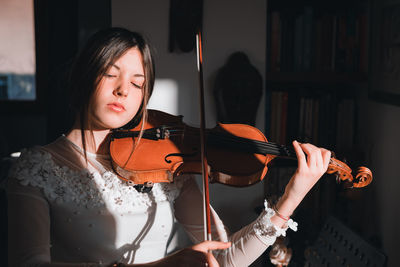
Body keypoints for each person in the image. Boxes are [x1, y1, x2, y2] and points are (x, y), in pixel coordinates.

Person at [7, 27, 331, 267]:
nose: (123, 91)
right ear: (83, 77)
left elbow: (226, 258)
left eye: (137, 83)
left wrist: (293, 196)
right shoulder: (37, 167)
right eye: (110, 74)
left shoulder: (165, 164)